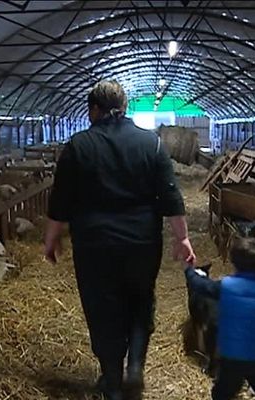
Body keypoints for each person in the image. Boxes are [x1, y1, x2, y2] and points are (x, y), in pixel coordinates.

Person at [44, 80, 196, 400]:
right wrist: (182, 239)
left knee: (102, 307)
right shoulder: (151, 144)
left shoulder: (78, 145)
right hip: (142, 241)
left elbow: (60, 201)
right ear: (125, 108)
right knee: (141, 300)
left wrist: (52, 238)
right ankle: (136, 367)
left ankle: (112, 379)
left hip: (94, 244)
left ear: (94, 110)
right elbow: (170, 195)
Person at [184, 236, 255, 400]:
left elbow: (201, 286)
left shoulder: (227, 285)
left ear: (235, 263)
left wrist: (190, 271)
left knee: (221, 393)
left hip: (232, 357)